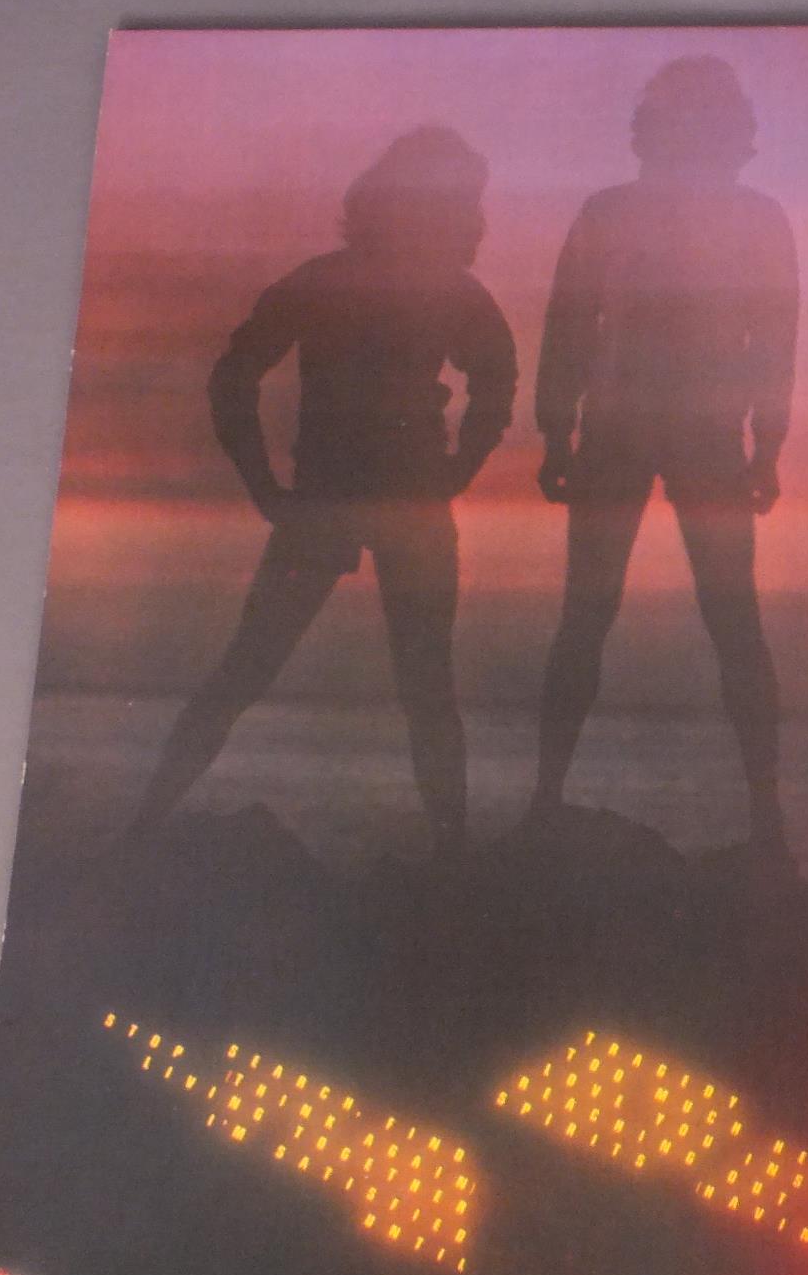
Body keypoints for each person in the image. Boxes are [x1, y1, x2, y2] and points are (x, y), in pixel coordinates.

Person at [125, 125, 517, 856]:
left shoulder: (359, 283)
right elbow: (234, 378)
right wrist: (266, 486)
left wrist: (267, 487)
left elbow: (234, 377)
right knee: (410, 688)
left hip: (358, 503)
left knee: (271, 672)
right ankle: (453, 861)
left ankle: (141, 832)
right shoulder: (426, 291)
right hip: (377, 504)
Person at [528, 56, 798, 866]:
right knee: (731, 621)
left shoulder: (610, 211)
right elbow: (774, 343)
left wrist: (556, 432)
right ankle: (766, 819)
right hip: (702, 433)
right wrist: (768, 446)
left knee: (590, 616)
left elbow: (568, 326)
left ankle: (545, 800)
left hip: (621, 427)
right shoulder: (755, 218)